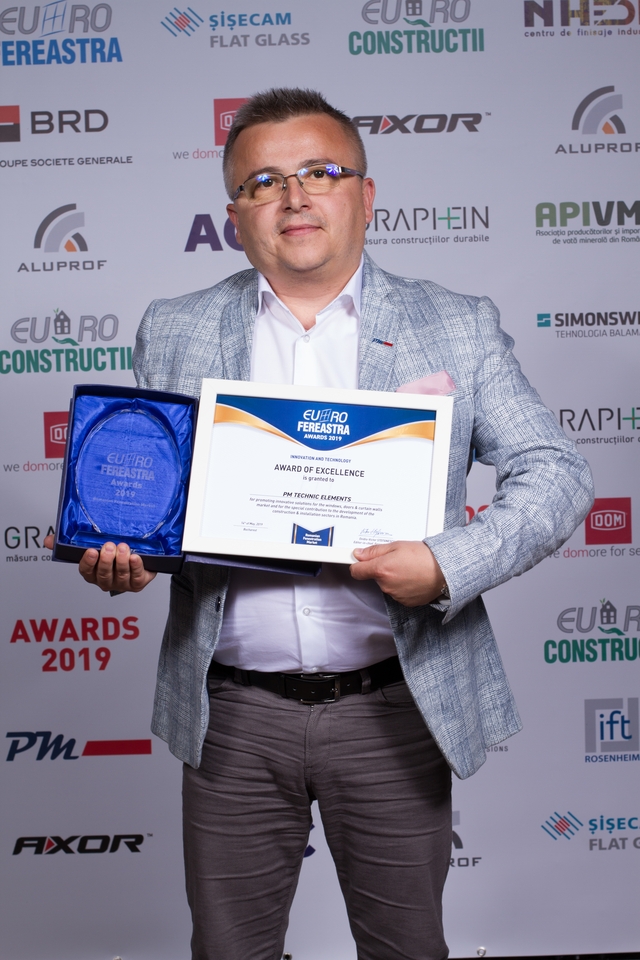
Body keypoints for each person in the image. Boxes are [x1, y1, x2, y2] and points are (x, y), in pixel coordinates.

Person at [46, 89, 594, 960]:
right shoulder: (175, 328)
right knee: (229, 951)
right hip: (232, 714)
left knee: (406, 949)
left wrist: (447, 563)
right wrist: (132, 551)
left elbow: (557, 471)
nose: (294, 196)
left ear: (365, 196)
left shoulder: (455, 324)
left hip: (393, 705)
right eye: (263, 182)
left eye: (321, 172)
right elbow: (162, 504)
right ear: (235, 217)